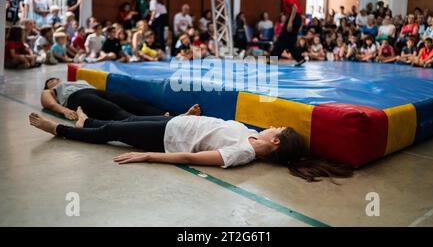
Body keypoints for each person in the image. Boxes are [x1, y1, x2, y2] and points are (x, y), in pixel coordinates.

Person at [29, 105, 353, 182]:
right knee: (122, 122)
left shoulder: (242, 153)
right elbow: (209, 129)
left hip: (166, 138)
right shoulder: (250, 135)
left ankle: (57, 128)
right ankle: (85, 121)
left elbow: (190, 155)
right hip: (175, 122)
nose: (272, 125)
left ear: (276, 140)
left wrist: (147, 157)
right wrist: (188, 115)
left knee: (109, 133)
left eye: (276, 127)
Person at [40, 78, 168, 121]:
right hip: (77, 97)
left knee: (131, 101)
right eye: (51, 80)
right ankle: (149, 124)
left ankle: (164, 115)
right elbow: (48, 103)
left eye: (56, 78)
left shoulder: (76, 81)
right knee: (112, 110)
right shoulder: (52, 90)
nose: (55, 80)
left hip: (96, 91)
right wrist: (64, 111)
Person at [270, 0, 305, 66]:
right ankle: (300, 59)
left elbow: (295, 8)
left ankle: (273, 60)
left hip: (294, 18)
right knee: (290, 42)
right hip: (295, 18)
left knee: (282, 39)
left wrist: (290, 22)